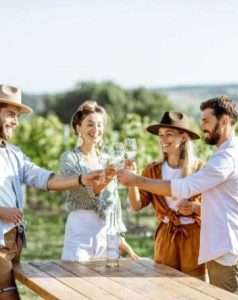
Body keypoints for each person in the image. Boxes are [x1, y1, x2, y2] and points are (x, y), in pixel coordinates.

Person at [117, 96, 238, 299]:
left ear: (224, 121)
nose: (203, 126)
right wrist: (135, 181)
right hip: (218, 248)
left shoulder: (226, 158)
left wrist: (135, 180)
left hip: (227, 250)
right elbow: (218, 204)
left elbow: (185, 187)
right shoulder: (226, 155)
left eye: (206, 121)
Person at [0, 85, 105, 300]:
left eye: (18, 116)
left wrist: (80, 179)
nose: (16, 121)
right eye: (11, 114)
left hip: (12, 240)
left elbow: (42, 178)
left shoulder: (13, 154)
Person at [124, 111, 205, 278]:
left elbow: (213, 208)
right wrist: (132, 181)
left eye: (169, 134)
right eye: (160, 135)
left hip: (194, 238)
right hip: (166, 237)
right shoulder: (153, 170)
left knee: (196, 289)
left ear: (183, 137)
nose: (163, 140)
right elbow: (136, 205)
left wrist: (195, 207)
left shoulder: (200, 169)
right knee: (164, 287)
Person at [60, 101, 138, 262]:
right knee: (76, 283)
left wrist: (120, 239)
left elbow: (113, 204)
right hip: (80, 232)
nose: (96, 130)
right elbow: (83, 195)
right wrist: (108, 177)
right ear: (77, 128)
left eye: (100, 125)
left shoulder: (108, 159)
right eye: (90, 124)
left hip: (106, 235)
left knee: (103, 285)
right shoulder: (69, 158)